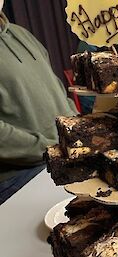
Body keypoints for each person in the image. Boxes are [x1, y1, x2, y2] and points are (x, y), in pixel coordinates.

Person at [0, 1, 78, 204]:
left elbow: (56, 87)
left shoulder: (20, 33)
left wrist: (77, 127)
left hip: (66, 153)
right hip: (21, 175)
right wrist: (50, 147)